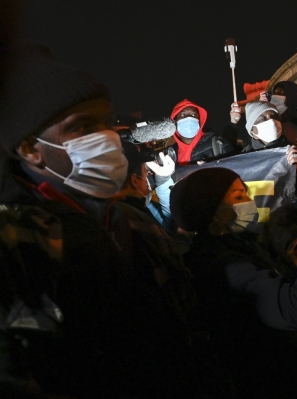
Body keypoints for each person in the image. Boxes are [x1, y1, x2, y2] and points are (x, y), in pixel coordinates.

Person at [0, 47, 197, 397]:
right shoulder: (15, 245)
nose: (106, 138)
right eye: (82, 127)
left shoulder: (137, 224)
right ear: (30, 148)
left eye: (106, 123)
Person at [169, 167, 297, 398]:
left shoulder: (240, 247)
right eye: (239, 196)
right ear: (212, 209)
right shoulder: (224, 265)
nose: (250, 201)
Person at [117, 140, 176, 232]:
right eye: (146, 174)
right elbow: (171, 231)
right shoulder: (136, 222)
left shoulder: (113, 208)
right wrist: (164, 181)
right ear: (135, 181)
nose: (148, 180)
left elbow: (168, 227)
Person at [170, 98, 235, 165]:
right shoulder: (169, 155)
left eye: (193, 115)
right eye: (183, 115)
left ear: (200, 121)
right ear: (175, 122)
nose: (189, 118)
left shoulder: (219, 145)